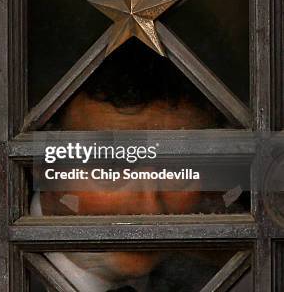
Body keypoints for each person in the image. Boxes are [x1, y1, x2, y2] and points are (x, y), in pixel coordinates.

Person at [31, 40, 243, 291]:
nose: (149, 209)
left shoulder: (239, 275)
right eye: (111, 168)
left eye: (176, 169)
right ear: (43, 164)